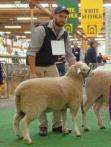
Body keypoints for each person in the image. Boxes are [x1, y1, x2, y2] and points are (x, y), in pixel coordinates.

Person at [27, 6, 76, 136]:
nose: (63, 19)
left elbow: (69, 55)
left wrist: (77, 68)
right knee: (41, 96)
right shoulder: (41, 30)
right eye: (61, 16)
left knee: (58, 93)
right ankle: (43, 126)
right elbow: (31, 53)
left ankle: (57, 125)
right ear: (54, 15)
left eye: (65, 17)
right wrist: (33, 73)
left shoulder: (64, 33)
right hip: (37, 66)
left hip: (51, 65)